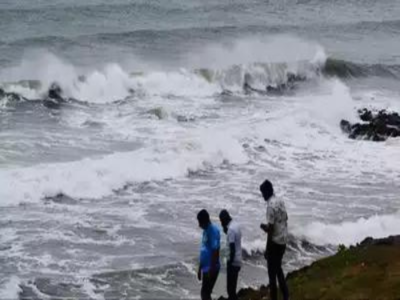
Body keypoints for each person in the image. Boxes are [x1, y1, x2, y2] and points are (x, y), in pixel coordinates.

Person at [259, 180, 289, 300]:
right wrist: (268, 227)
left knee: (272, 275)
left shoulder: (270, 206)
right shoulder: (280, 200)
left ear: (266, 192)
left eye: (262, 193)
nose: (262, 196)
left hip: (275, 243)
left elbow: (270, 230)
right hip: (283, 240)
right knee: (278, 269)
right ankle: (286, 295)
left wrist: (267, 249)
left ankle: (276, 297)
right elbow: (285, 218)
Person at [197, 209, 221, 300]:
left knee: (205, 293)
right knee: (205, 292)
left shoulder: (213, 231)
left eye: (200, 222)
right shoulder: (205, 231)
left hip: (212, 267)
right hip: (206, 267)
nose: (199, 225)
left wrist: (212, 268)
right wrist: (199, 269)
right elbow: (204, 250)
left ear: (205, 221)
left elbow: (216, 251)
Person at [219, 210, 242, 300]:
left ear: (224, 220)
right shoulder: (235, 225)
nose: (221, 223)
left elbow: (232, 248)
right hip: (239, 259)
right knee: (233, 287)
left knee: (230, 289)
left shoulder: (231, 230)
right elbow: (236, 242)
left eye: (221, 221)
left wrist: (229, 263)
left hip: (233, 262)